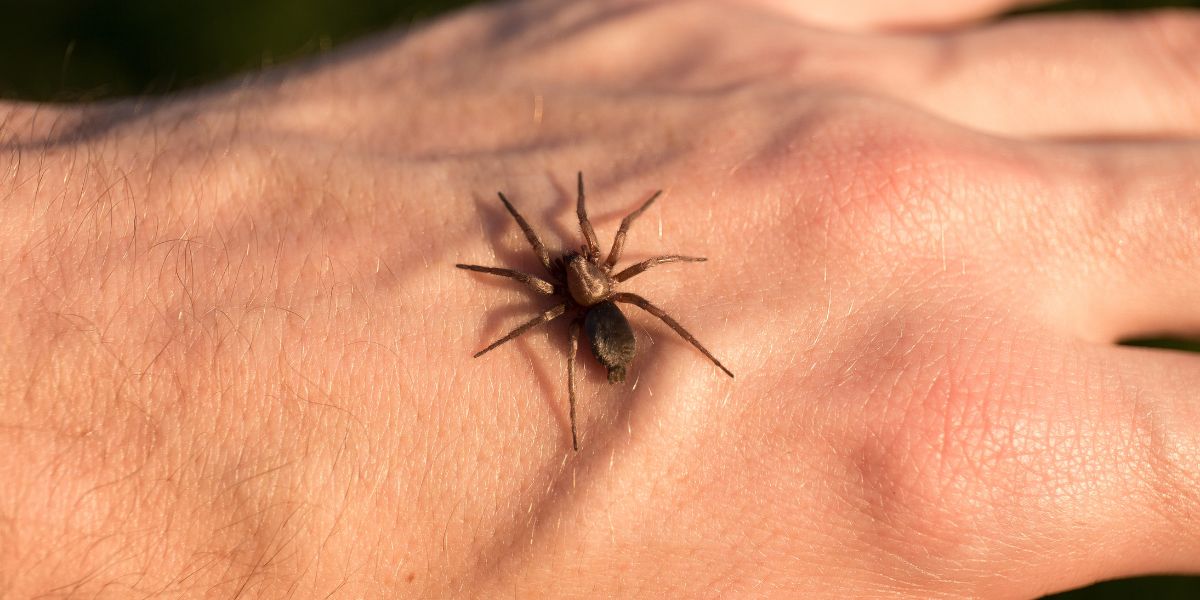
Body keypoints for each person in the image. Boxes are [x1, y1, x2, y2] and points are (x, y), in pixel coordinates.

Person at [3, 0, 1199, 596]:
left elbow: (610, 271)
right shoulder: (560, 289)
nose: (567, 258)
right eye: (560, 256)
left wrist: (660, 305)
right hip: (603, 340)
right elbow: (553, 276)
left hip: (614, 335)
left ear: (583, 272)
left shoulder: (585, 286)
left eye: (574, 251)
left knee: (638, 312)